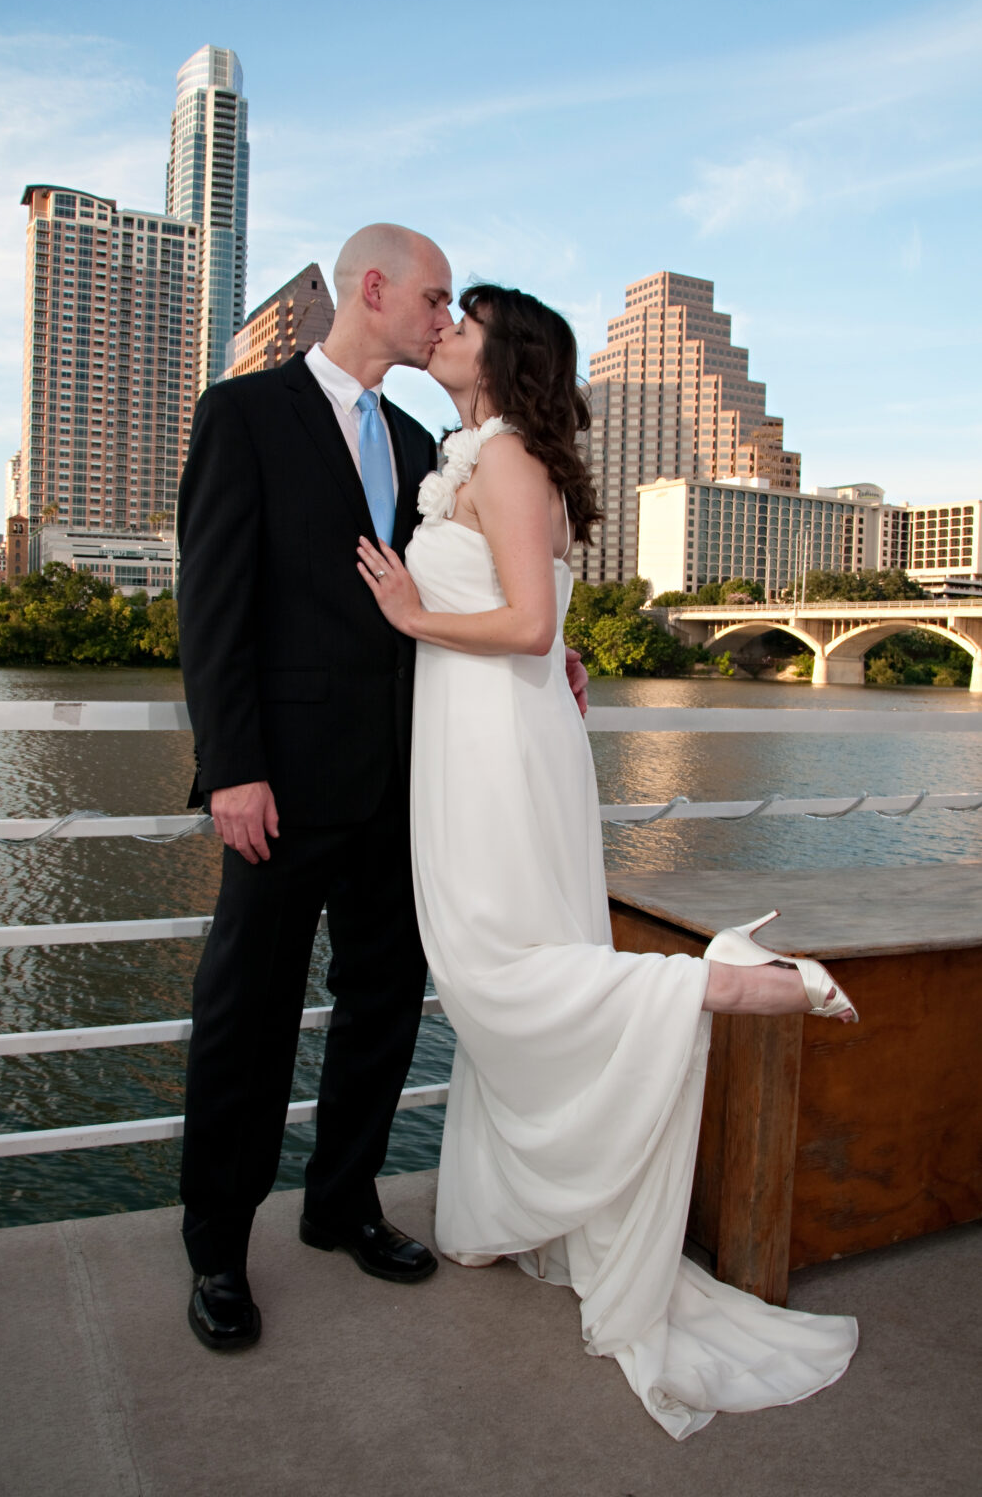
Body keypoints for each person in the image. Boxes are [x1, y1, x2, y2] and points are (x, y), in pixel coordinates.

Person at [357, 283, 859, 1440]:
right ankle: (500, 1212)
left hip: (496, 747)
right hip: (475, 742)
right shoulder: (475, 454)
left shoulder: (512, 463)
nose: (443, 326)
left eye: (464, 317)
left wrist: (411, 616)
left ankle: (730, 982)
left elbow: (526, 623)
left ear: (505, 353)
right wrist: (539, 636)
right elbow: (544, 617)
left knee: (497, 966)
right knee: (490, 968)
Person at [176, 224, 456, 1352]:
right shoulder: (242, 413)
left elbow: (425, 603)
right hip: (281, 789)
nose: (445, 318)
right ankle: (216, 1254)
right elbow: (213, 607)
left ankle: (342, 1204)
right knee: (248, 1021)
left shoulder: (417, 436)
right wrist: (232, 768)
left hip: (405, 786)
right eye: (434, 298)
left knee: (383, 1010)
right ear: (373, 288)